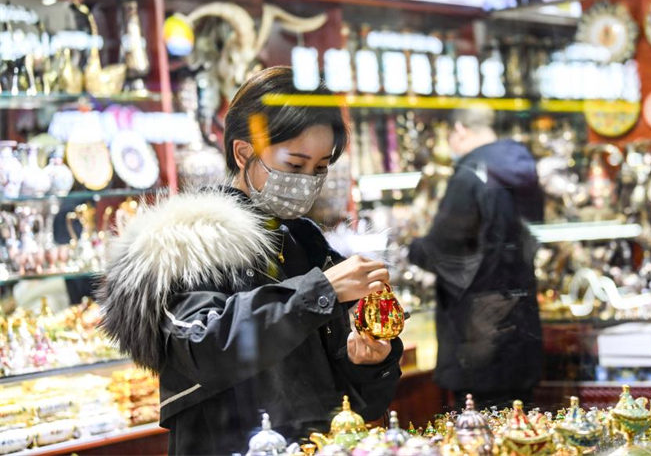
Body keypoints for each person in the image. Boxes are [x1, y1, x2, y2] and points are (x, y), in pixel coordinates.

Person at [99, 67, 403, 455]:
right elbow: (201, 347)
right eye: (295, 165)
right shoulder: (190, 243)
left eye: (321, 167)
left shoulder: (306, 244)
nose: (309, 180)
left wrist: (371, 361)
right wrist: (317, 293)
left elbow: (356, 405)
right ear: (244, 153)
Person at [408, 104, 543, 410]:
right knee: (525, 432)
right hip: (521, 327)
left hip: (478, 339)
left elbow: (444, 248)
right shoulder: (521, 170)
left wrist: (411, 247)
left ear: (459, 131)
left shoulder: (470, 176)